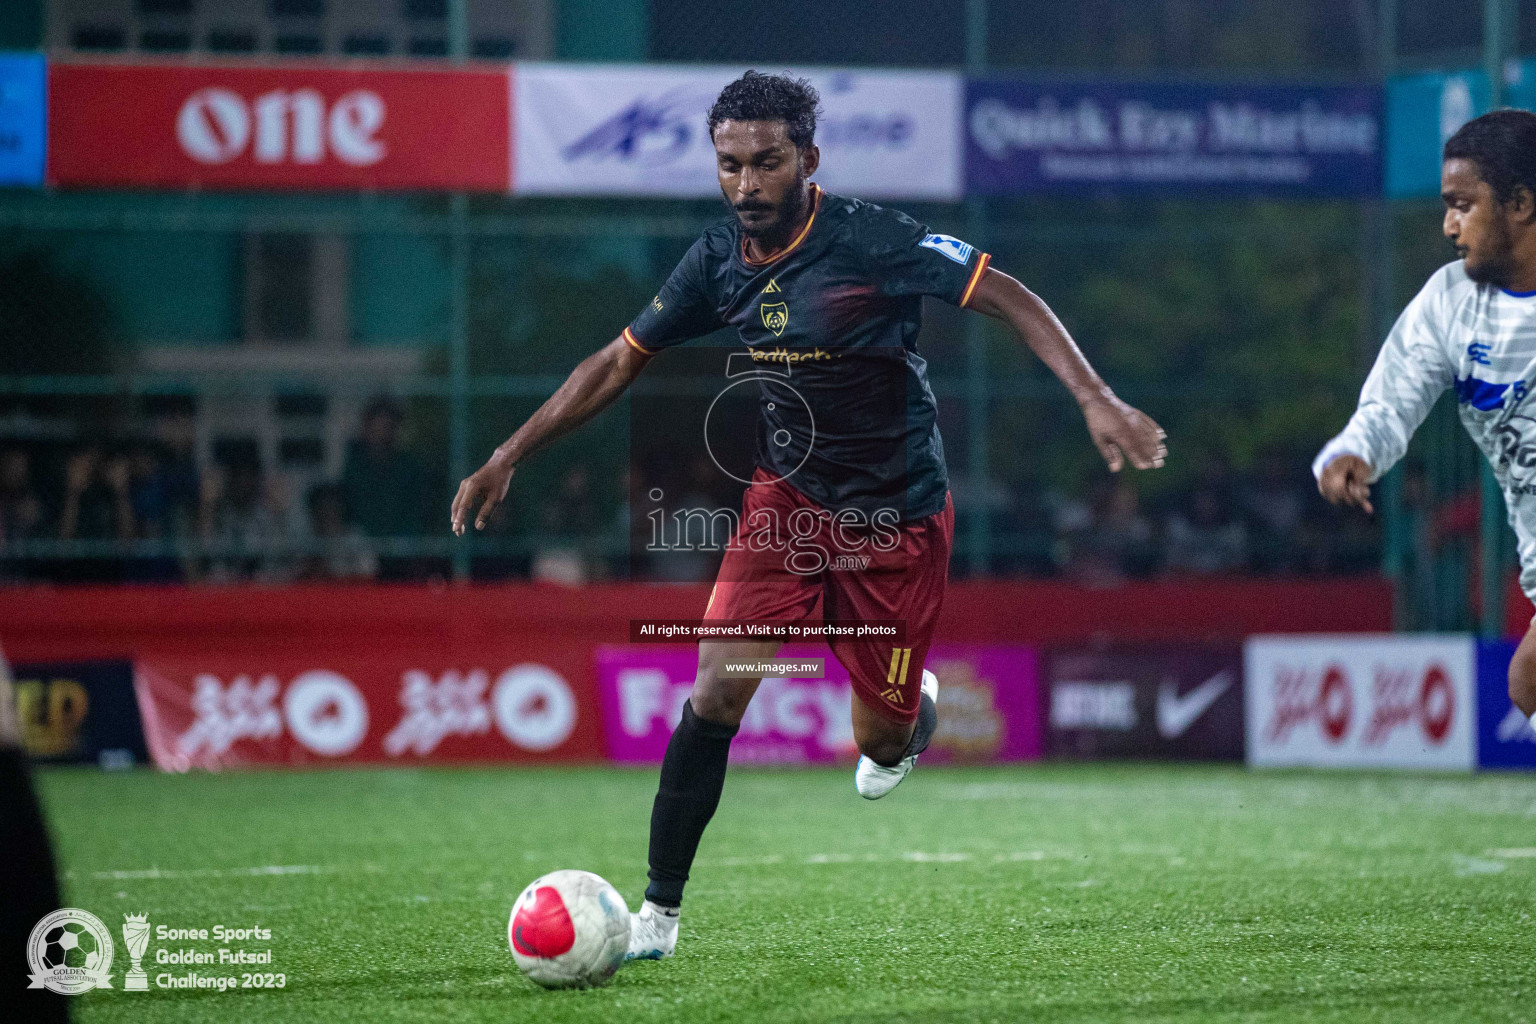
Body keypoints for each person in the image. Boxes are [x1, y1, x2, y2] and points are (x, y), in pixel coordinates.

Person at [451, 71, 1166, 961]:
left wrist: (1096, 399)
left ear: (807, 159)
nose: (746, 185)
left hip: (897, 523)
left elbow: (1009, 294)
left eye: (766, 163)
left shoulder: (872, 240)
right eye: (729, 166)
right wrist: (509, 452)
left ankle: (910, 719)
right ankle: (656, 922)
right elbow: (617, 360)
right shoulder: (716, 261)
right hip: (784, 511)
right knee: (715, 688)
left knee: (879, 743)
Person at [1317, 109, 1536, 734]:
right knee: (1528, 680)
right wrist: (1357, 449)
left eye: (1463, 204)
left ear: (1519, 203)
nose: (1448, 225)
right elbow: (1392, 398)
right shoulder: (1450, 303)